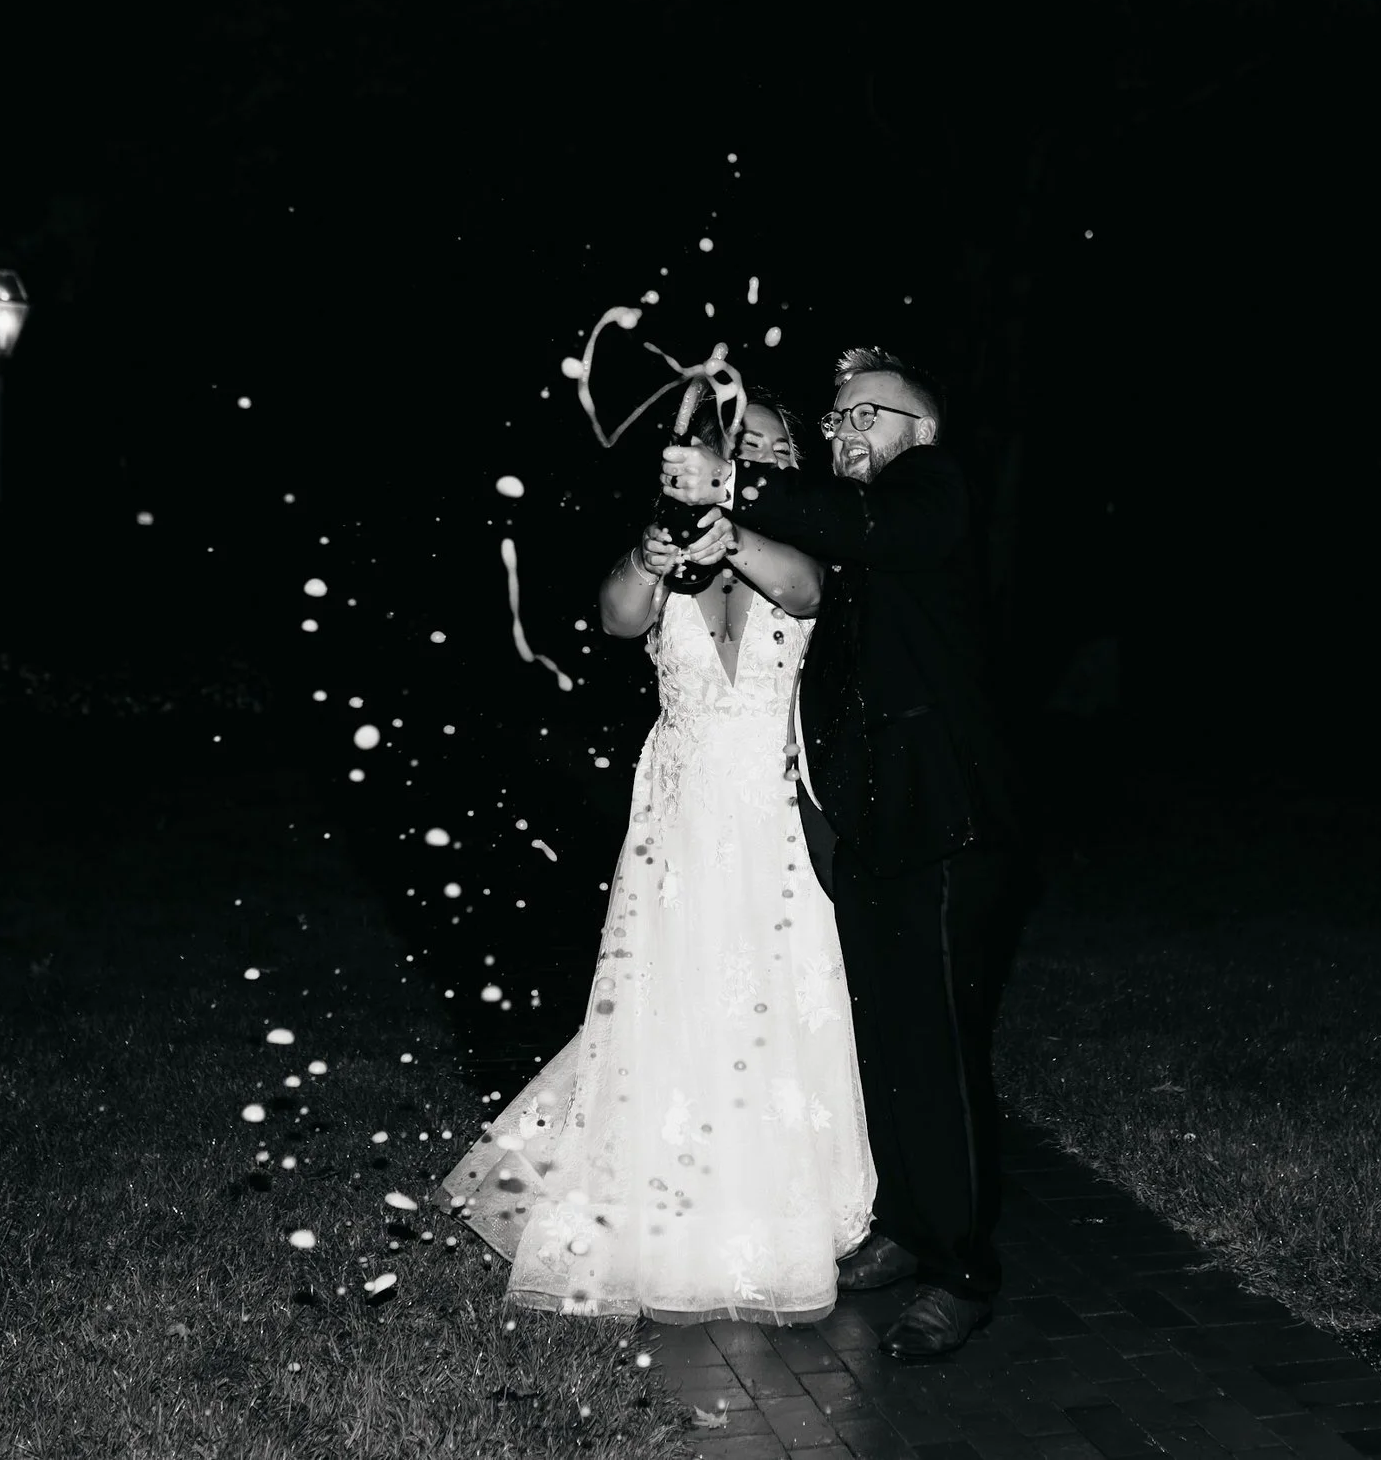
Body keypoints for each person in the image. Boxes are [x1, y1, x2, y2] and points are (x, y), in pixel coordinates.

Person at [440, 394, 876, 1324]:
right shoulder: (665, 543)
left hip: (773, 816)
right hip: (678, 814)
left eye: (771, 443)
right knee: (665, 998)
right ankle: (653, 1217)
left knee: (779, 999)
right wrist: (650, 553)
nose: (752, 450)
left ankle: (773, 1221)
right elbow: (616, 619)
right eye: (735, 438)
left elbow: (803, 592)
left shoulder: (813, 544)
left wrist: (734, 533)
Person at [659, 346, 1030, 1360]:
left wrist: (730, 479)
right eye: (836, 418)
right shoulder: (854, 525)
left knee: (940, 1052)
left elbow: (863, 523)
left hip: (950, 822)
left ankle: (963, 1270)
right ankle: (908, 1228)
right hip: (870, 825)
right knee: (889, 1042)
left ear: (923, 428)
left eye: (868, 412)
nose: (843, 429)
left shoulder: (933, 492)